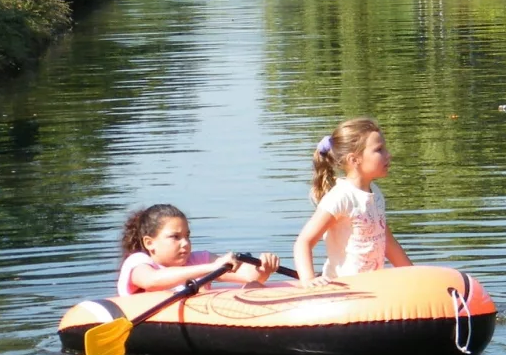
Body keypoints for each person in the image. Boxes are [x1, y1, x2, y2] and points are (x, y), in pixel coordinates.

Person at [293, 118, 412, 285]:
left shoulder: (375, 193)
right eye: (379, 150)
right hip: (346, 290)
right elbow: (304, 242)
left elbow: (387, 242)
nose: (388, 154)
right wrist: (308, 279)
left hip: (372, 286)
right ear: (354, 159)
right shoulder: (341, 197)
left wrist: (412, 274)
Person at [117, 203, 278, 297]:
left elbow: (249, 276)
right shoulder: (138, 262)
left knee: (253, 286)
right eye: (175, 237)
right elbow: (151, 281)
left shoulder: (199, 259)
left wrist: (263, 268)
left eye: (187, 236)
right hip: (160, 322)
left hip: (206, 319)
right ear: (149, 243)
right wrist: (212, 268)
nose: (185, 243)